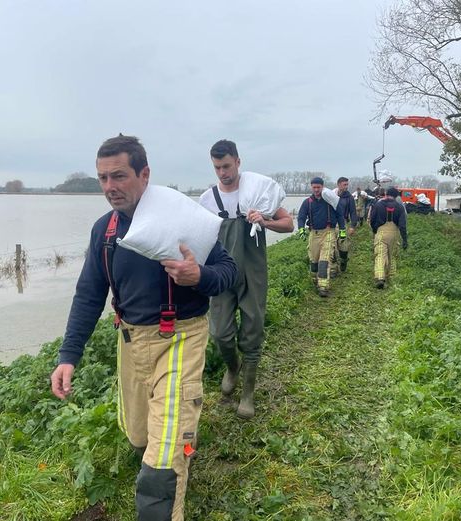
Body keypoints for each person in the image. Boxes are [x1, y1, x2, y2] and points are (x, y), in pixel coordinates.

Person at [50, 135, 238, 521]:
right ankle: (182, 440)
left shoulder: (179, 218)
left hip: (181, 337)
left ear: (144, 174)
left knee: (162, 456)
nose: (109, 188)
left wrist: (198, 275)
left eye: (118, 176)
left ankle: (168, 476)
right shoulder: (104, 231)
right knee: (140, 437)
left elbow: (228, 273)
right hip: (130, 342)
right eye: (102, 178)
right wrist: (68, 356)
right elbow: (88, 295)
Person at [199, 139, 293, 419]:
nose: (223, 173)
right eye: (217, 168)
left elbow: (289, 224)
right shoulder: (207, 200)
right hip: (221, 274)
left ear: (238, 162)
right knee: (219, 332)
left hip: (253, 272)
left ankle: (248, 392)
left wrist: (264, 221)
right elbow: (199, 237)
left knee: (252, 331)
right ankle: (232, 366)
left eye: (227, 166)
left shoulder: (258, 194)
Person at [297, 177, 345, 297]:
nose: (317, 190)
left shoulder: (329, 200)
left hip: (329, 232)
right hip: (314, 234)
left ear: (322, 187)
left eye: (319, 187)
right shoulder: (307, 202)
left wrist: (343, 230)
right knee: (314, 260)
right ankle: (315, 281)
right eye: (314, 187)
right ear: (311, 187)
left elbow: (340, 214)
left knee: (324, 260)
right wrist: (301, 228)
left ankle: (323, 287)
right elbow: (301, 216)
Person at [370, 186, 408, 289]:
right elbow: (403, 225)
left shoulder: (378, 205)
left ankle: (380, 277)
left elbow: (372, 220)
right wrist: (405, 240)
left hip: (381, 233)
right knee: (392, 256)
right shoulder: (400, 207)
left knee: (380, 254)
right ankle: (392, 276)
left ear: (386, 194)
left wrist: (374, 230)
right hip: (394, 234)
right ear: (396, 196)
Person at [332, 177, 358, 274]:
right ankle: (333, 269)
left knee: (343, 245)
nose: (346, 186)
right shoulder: (331, 195)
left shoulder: (349, 197)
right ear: (338, 185)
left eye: (347, 184)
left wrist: (352, 226)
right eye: (344, 184)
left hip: (343, 223)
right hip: (332, 224)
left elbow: (353, 212)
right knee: (332, 245)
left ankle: (343, 260)